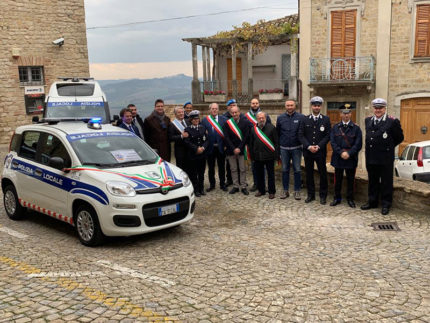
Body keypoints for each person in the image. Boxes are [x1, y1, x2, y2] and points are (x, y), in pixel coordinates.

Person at [361, 98, 404, 215]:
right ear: (373, 108)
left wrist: (388, 147)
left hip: (385, 158)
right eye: (376, 108)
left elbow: (399, 138)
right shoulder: (368, 120)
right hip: (371, 157)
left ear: (385, 108)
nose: (378, 110)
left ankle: (386, 204)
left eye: (380, 108)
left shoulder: (392, 121)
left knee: (386, 182)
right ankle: (372, 201)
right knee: (372, 181)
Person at [299, 96, 331, 204]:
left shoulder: (326, 119)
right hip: (308, 152)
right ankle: (310, 195)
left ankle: (323, 196)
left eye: (318, 105)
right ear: (311, 106)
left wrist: (319, 146)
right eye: (314, 105)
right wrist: (308, 146)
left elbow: (328, 135)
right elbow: (301, 135)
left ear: (320, 106)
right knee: (309, 174)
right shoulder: (305, 119)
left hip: (320, 152)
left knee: (323, 174)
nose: (316, 107)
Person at [329, 104, 363, 208]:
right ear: (340, 114)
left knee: (350, 180)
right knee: (337, 180)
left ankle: (350, 199)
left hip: (350, 158)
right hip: (338, 158)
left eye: (348, 113)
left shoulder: (356, 128)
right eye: (344, 113)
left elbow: (358, 144)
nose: (346, 115)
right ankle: (337, 198)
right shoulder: (335, 127)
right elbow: (333, 142)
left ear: (351, 114)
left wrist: (349, 153)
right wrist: (341, 152)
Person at [276, 99, 304, 200]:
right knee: (284, 170)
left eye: (291, 105)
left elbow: (303, 133)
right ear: (285, 106)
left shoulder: (301, 117)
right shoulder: (280, 118)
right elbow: (277, 134)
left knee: (297, 170)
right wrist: (278, 149)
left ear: (295, 106)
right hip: (284, 149)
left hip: (297, 148)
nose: (289, 107)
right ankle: (285, 190)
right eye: (288, 105)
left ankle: (297, 191)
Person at [249, 112, 278, 199]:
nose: (261, 119)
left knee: (271, 175)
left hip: (269, 156)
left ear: (265, 118)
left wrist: (276, 155)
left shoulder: (272, 127)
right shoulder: (253, 129)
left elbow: (276, 142)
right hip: (257, 156)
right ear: (257, 119)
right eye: (259, 118)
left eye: (262, 118)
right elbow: (251, 143)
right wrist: (252, 155)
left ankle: (271, 191)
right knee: (259, 174)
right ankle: (261, 190)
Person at [244, 98, 272, 192]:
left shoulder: (265, 115)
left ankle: (264, 185)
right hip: (253, 145)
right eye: (253, 103)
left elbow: (269, 128)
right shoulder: (246, 116)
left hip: (264, 144)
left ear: (259, 104)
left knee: (264, 167)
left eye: (256, 103)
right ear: (250, 104)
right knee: (254, 166)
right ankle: (256, 184)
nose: (255, 105)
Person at [223, 105, 249, 195]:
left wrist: (239, 148)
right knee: (233, 169)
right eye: (232, 113)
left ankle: (243, 186)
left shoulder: (245, 122)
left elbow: (246, 137)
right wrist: (233, 148)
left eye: (236, 112)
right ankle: (235, 186)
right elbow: (226, 138)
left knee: (242, 169)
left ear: (239, 112)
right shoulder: (227, 123)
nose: (234, 114)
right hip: (231, 150)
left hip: (241, 150)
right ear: (230, 113)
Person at [201, 103, 228, 192]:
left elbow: (226, 134)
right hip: (210, 148)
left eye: (216, 108)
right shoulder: (205, 120)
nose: (214, 110)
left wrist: (225, 145)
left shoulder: (224, 120)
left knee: (221, 167)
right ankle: (212, 185)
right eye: (212, 108)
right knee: (211, 168)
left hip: (221, 147)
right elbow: (202, 134)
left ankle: (222, 184)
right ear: (210, 109)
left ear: (218, 110)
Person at [183, 110, 209, 197]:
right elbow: (187, 142)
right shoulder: (187, 129)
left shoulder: (203, 128)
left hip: (202, 155)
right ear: (190, 120)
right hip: (193, 155)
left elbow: (207, 140)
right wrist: (196, 149)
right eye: (194, 119)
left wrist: (203, 148)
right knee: (194, 173)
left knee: (201, 173)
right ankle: (196, 189)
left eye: (197, 119)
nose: (196, 120)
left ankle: (201, 189)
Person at [222, 99, 238, 187]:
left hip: (238, 143)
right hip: (228, 144)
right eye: (230, 105)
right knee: (229, 164)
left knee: (239, 163)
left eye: (233, 105)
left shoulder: (240, 115)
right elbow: (223, 132)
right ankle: (229, 180)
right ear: (227, 107)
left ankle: (239, 179)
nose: (232, 107)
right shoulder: (224, 117)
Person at [168, 106, 189, 171]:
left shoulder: (188, 121)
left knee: (190, 168)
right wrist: (181, 136)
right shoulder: (172, 124)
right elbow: (170, 138)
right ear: (175, 114)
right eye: (179, 112)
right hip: (180, 151)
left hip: (189, 149)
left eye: (182, 112)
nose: (181, 114)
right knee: (181, 169)